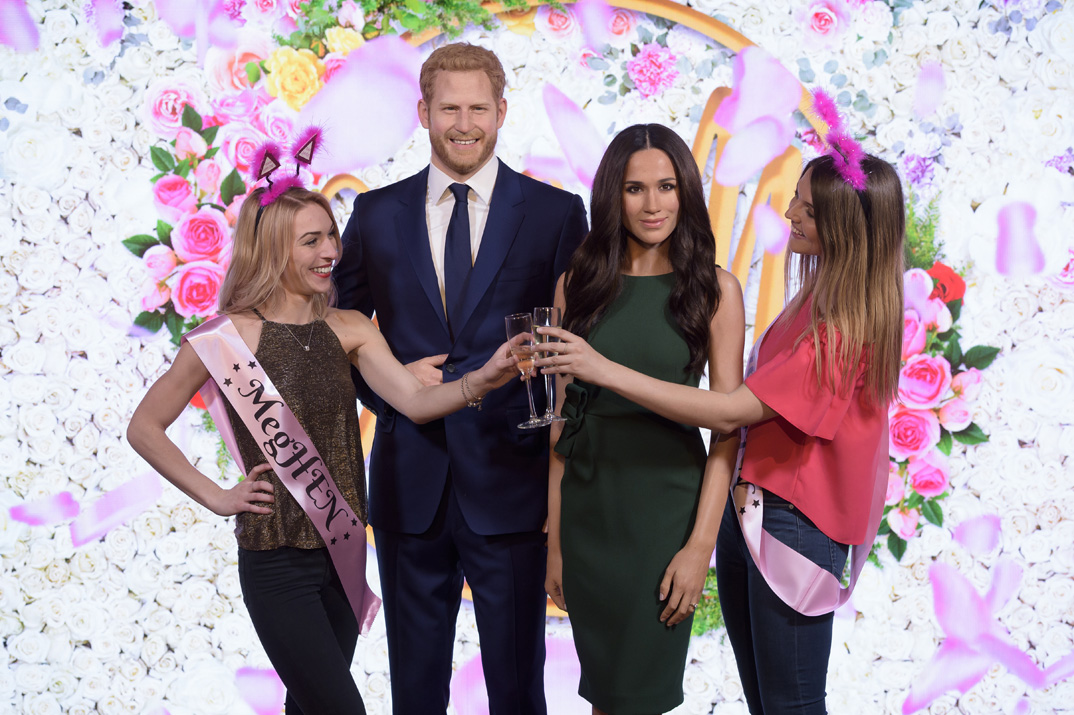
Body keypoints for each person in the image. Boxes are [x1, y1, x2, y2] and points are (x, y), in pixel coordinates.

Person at [127, 185, 519, 715]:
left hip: (342, 553)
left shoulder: (351, 328)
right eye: (310, 241)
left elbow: (417, 402)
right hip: (276, 560)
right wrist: (218, 497)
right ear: (271, 250)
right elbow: (145, 426)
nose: (330, 251)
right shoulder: (226, 338)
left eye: (330, 235)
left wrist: (484, 378)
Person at [537, 153, 905, 714]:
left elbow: (730, 412)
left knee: (792, 703)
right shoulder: (814, 301)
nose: (791, 212)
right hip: (755, 513)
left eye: (807, 207)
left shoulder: (841, 329)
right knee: (769, 700)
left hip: (795, 525)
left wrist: (601, 368)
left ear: (846, 226)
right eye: (797, 198)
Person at [332, 43, 588, 713]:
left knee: (517, 688)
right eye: (449, 107)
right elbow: (338, 331)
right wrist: (390, 385)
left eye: (479, 107)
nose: (464, 122)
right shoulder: (376, 214)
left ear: (502, 111)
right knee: (413, 690)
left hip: (512, 480)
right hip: (408, 483)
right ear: (422, 112)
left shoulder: (556, 215)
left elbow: (577, 344)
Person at [541, 123, 745, 714]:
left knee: (642, 698)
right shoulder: (576, 285)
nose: (653, 204)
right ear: (612, 195)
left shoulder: (713, 290)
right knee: (606, 697)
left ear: (686, 193)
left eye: (666, 186)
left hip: (664, 518)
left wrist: (699, 545)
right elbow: (562, 421)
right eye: (635, 189)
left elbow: (728, 428)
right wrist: (555, 540)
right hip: (587, 516)